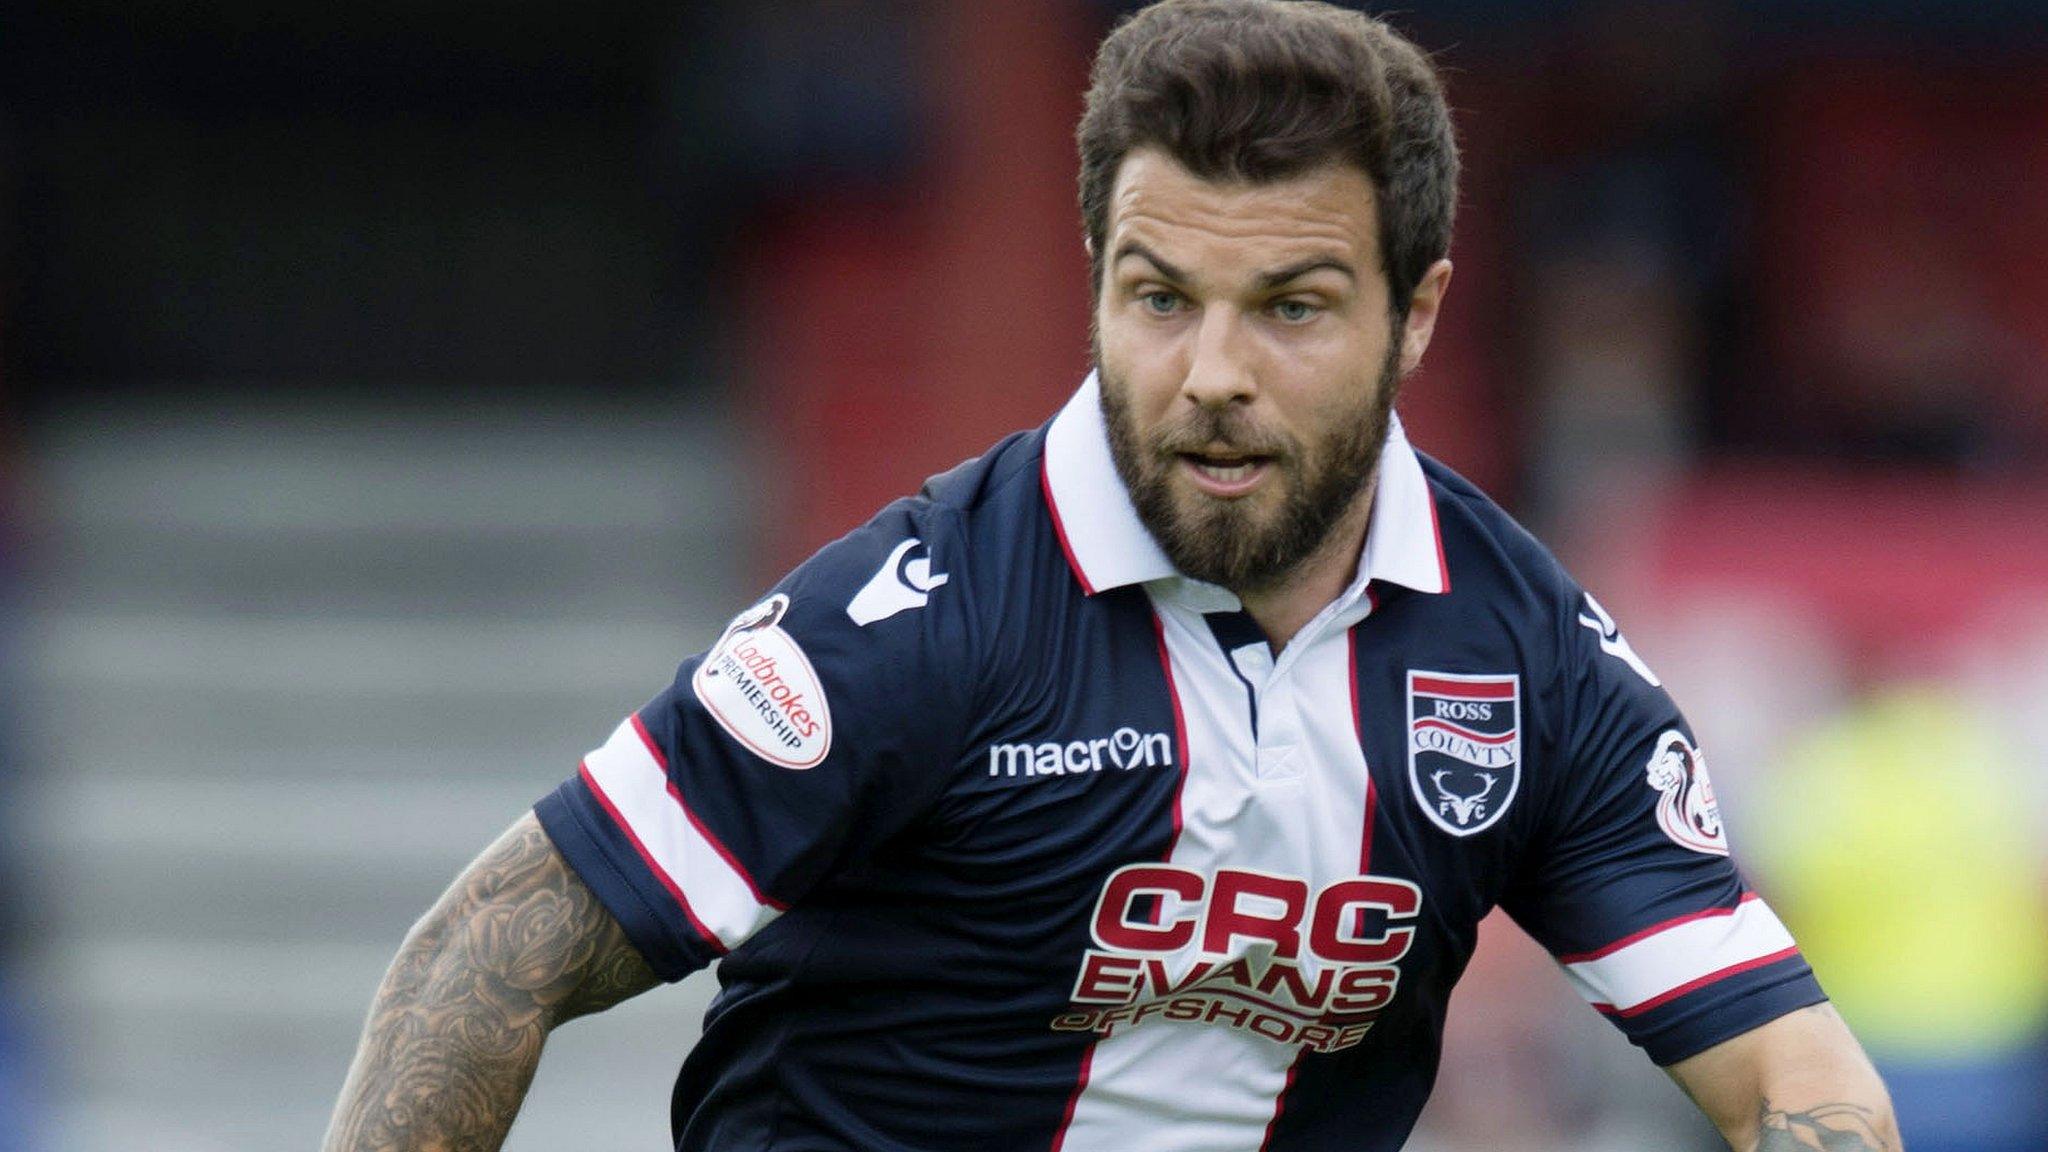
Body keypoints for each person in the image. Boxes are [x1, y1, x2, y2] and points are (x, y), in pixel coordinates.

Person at [324, 2, 1898, 1149]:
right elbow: (492, 949)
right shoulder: (918, 620)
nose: (1209, 372)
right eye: (1160, 297)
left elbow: (1797, 1080)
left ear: (1417, 316)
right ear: (1097, 280)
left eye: (1289, 306)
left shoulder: (1527, 656)